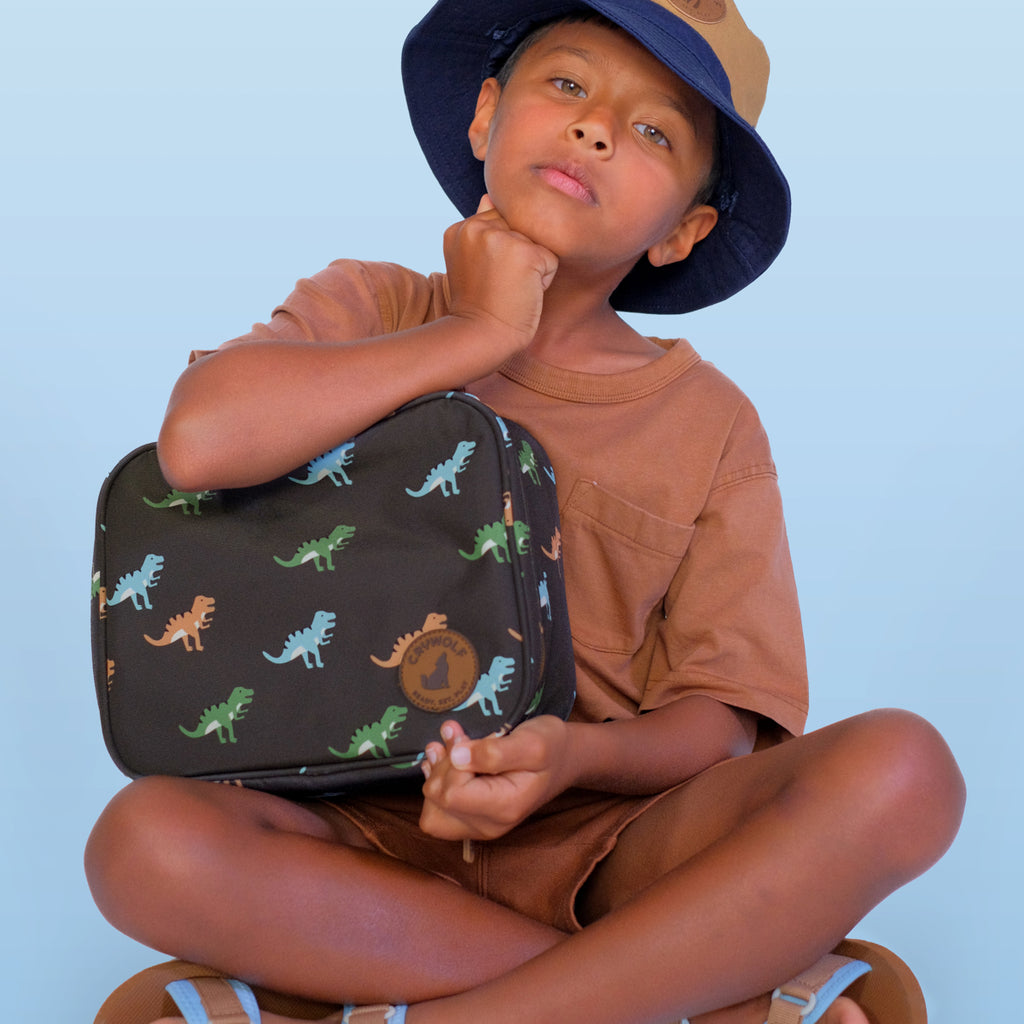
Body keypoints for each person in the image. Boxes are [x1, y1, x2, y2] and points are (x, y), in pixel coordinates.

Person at [85, 2, 966, 1023]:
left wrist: (575, 758)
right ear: (484, 115)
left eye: (652, 132)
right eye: (566, 85)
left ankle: (414, 1008)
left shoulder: (712, 425)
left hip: (609, 842)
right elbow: (199, 443)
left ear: (683, 228)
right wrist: (476, 332)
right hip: (348, 835)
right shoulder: (368, 305)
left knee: (904, 768)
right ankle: (687, 991)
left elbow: (721, 723)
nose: (595, 126)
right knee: (140, 843)